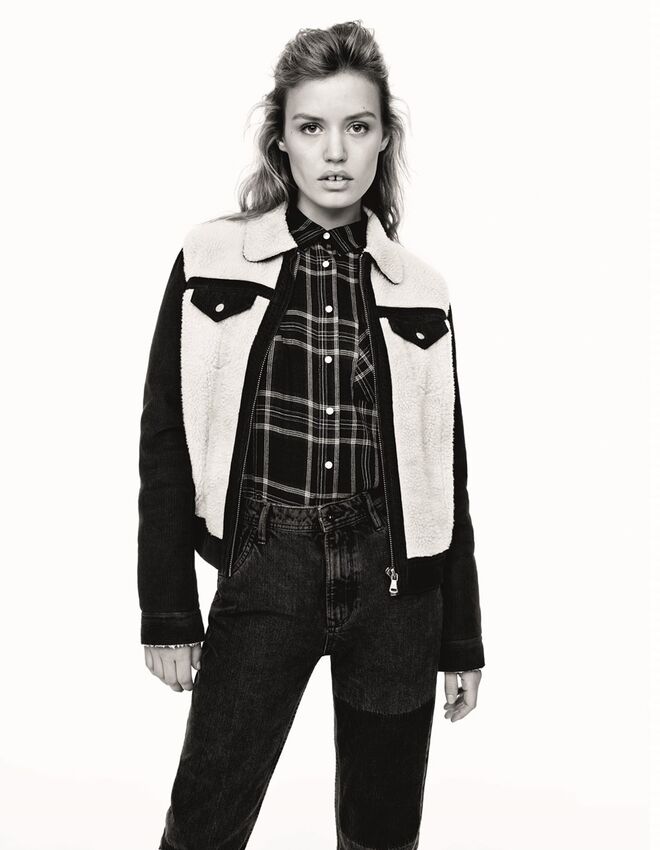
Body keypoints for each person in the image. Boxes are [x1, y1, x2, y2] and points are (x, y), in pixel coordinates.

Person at [138, 19, 485, 850]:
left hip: (396, 589)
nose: (335, 152)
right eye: (311, 127)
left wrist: (462, 636)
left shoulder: (420, 289)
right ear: (281, 138)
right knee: (204, 825)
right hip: (266, 568)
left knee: (382, 833)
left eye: (357, 127)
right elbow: (165, 437)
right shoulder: (212, 258)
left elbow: (445, 470)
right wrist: (168, 609)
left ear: (383, 138)